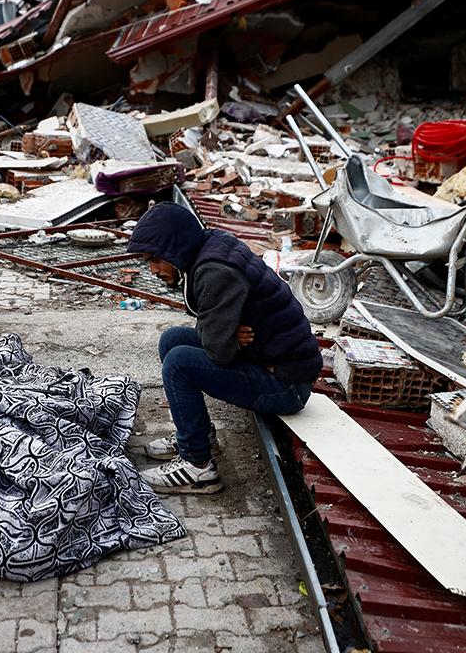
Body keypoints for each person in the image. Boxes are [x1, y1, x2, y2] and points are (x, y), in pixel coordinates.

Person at [126, 202, 322, 495]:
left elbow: (220, 352)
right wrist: (225, 334)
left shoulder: (215, 271)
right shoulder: (210, 246)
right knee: (172, 339)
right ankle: (197, 436)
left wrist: (224, 338)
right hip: (267, 362)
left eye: (155, 259)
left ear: (174, 248)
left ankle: (198, 467)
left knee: (179, 363)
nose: (152, 269)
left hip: (286, 385)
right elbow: (212, 331)